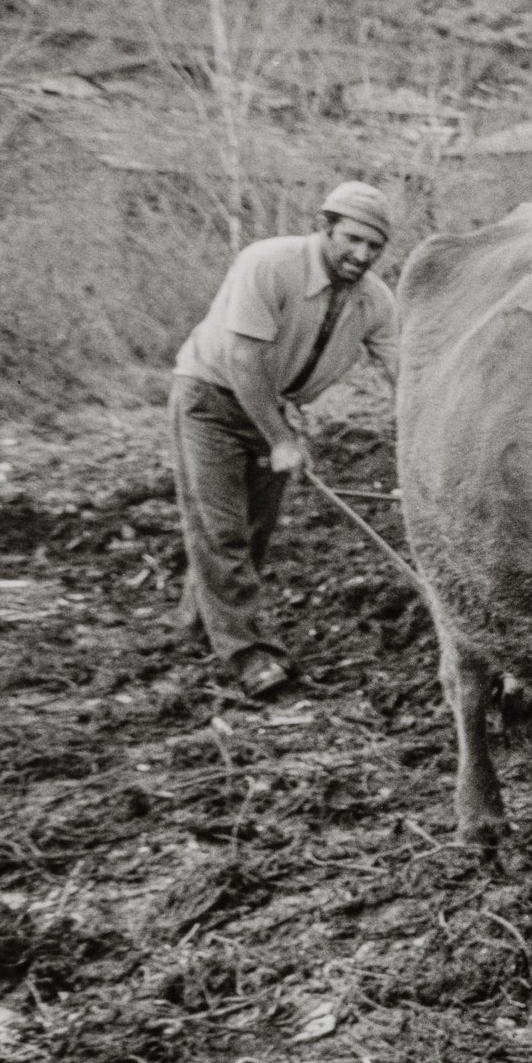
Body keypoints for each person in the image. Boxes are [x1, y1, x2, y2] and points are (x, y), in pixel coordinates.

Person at [169, 182, 400, 696]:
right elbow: (243, 360)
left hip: (272, 407)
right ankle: (247, 654)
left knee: (252, 532)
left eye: (375, 247)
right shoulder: (269, 263)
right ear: (324, 226)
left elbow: (405, 372)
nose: (361, 256)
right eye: (352, 240)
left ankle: (195, 627)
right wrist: (281, 439)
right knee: (221, 528)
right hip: (211, 397)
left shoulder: (375, 302)